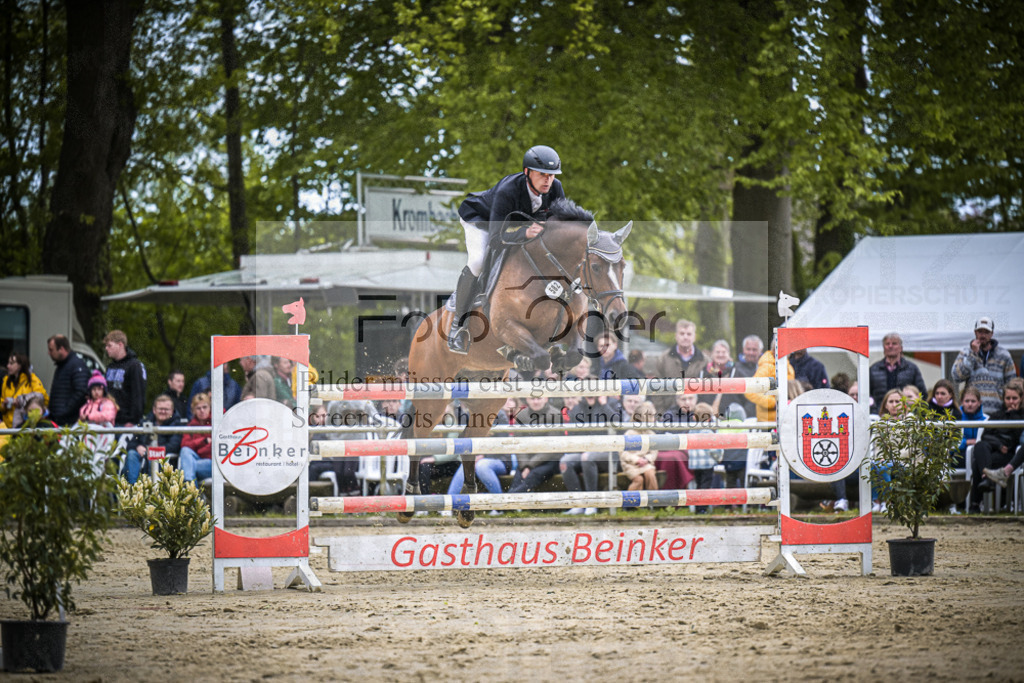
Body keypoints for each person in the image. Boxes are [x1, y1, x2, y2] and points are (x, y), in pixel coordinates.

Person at [449, 144, 566, 353]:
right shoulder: (509, 190)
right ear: (527, 172)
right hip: (480, 220)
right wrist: (524, 233)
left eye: (552, 175)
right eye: (542, 175)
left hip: (511, 224)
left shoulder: (556, 188)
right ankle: (458, 326)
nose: (548, 180)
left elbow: (557, 226)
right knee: (478, 260)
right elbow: (496, 239)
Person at [561, 386, 626, 515]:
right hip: (586, 451)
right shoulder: (577, 408)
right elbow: (574, 436)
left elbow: (619, 425)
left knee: (587, 457)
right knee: (565, 462)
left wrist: (604, 405)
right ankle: (578, 504)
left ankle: (593, 503)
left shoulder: (611, 403)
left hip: (610, 452)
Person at [965, 378, 1024, 513]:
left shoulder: (1021, 417)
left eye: (1014, 398)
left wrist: (1014, 414)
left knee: (977, 465)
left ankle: (975, 504)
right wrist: (998, 445)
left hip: (1010, 454)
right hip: (993, 449)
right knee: (980, 446)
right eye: (1008, 398)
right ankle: (988, 479)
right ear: (1003, 399)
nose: (1011, 401)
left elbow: (1017, 439)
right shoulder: (997, 415)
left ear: (1021, 399)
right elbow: (985, 435)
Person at [446, 397, 518, 502]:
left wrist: (483, 456)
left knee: (482, 466)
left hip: (501, 460)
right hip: (478, 458)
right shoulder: (471, 415)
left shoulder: (499, 415)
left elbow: (502, 445)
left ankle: (500, 504)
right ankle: (449, 504)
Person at [951, 317, 1017, 415]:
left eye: (986, 332)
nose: (983, 335)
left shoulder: (1004, 355)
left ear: (992, 334)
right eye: (980, 332)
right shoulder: (965, 352)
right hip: (972, 412)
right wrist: (972, 355)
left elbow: (1012, 385)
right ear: (975, 332)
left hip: (997, 412)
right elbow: (956, 377)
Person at [122, 394, 184, 485]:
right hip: (142, 456)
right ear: (154, 410)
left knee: (154, 457)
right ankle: (133, 490)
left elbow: (175, 445)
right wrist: (137, 447)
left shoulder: (177, 425)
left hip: (165, 460)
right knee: (131, 454)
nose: (163, 411)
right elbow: (131, 443)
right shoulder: (144, 422)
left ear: (172, 411)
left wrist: (154, 451)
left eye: (166, 409)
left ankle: (153, 493)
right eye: (160, 409)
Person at [508, 395, 564, 493]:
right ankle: (510, 503)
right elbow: (518, 444)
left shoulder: (555, 415)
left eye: (539, 398)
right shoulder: (521, 415)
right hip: (527, 460)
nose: (536, 402)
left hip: (550, 460)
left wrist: (529, 466)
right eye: (532, 399)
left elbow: (551, 447)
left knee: (533, 475)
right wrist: (525, 466)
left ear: (546, 398)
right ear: (527, 400)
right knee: (518, 478)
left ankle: (508, 501)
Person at [653, 319, 708, 413]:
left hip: (698, 414)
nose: (685, 337)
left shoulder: (705, 361)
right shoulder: (663, 359)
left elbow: (709, 390)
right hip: (669, 413)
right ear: (676, 336)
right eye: (682, 334)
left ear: (694, 337)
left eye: (689, 334)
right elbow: (655, 388)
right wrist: (661, 413)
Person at [868, 332, 927, 414]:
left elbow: (922, 395)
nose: (890, 346)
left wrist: (912, 412)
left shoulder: (912, 369)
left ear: (901, 348)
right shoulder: (873, 369)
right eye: (887, 344)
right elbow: (867, 395)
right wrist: (875, 410)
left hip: (905, 416)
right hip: (880, 415)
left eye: (894, 343)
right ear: (883, 348)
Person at [744, 338, 795, 424]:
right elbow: (750, 390)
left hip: (785, 420)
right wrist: (773, 403)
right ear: (773, 349)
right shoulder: (767, 366)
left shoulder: (788, 366)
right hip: (768, 422)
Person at [683, 402, 722, 514]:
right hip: (707, 464)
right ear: (709, 419)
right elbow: (714, 449)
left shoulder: (691, 431)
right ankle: (702, 508)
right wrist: (719, 457)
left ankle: (697, 507)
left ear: (694, 418)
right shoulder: (708, 433)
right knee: (705, 486)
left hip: (695, 464)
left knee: (699, 484)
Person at [103, 329, 147, 427]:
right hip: (109, 419)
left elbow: (138, 395)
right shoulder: (110, 367)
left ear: (120, 345)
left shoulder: (134, 366)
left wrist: (133, 421)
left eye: (109, 345)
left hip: (126, 422)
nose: (106, 348)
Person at [46, 334, 90, 426]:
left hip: (69, 422)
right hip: (61, 419)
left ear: (61, 349)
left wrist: (64, 410)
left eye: (51, 350)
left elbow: (81, 392)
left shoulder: (76, 365)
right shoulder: (63, 365)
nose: (48, 353)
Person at [2, 352, 49, 428]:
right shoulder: (6, 381)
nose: (8, 366)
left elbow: (41, 398)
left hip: (26, 426)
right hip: (8, 428)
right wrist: (3, 405)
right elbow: (2, 401)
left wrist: (20, 401)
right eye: (8, 363)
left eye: (11, 363)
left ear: (20, 365)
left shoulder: (33, 380)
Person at [621, 401, 660, 492]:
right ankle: (630, 503)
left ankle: (654, 500)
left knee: (650, 474)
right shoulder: (629, 434)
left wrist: (646, 459)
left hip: (646, 463)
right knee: (639, 480)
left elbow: (654, 452)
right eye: (651, 417)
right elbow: (623, 453)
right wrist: (636, 460)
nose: (654, 419)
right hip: (631, 464)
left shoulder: (651, 434)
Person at [178, 392, 213, 483]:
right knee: (185, 451)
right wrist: (203, 442)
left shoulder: (217, 423)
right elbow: (184, 445)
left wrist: (197, 448)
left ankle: (189, 486)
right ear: (193, 410)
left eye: (204, 407)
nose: (202, 411)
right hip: (197, 459)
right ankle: (190, 482)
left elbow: (213, 449)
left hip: (214, 463)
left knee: (185, 467)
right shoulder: (191, 426)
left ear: (210, 407)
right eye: (198, 408)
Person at [958, 386, 987, 465]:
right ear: (962, 402)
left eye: (973, 401)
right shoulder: (956, 418)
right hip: (960, 455)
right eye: (967, 401)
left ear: (979, 403)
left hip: (980, 455)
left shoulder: (986, 420)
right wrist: (966, 442)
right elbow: (951, 444)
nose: (970, 404)